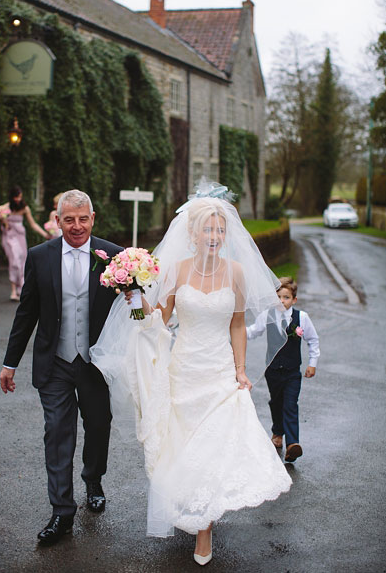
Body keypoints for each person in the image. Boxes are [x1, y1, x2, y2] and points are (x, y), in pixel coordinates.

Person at [90, 185, 291, 566]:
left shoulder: (236, 272)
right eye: (207, 230)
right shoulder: (177, 270)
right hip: (183, 370)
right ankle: (193, 507)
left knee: (214, 448)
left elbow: (236, 325)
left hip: (218, 370)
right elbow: (157, 322)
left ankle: (205, 529)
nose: (214, 237)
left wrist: (239, 369)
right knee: (184, 448)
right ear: (193, 233)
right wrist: (135, 296)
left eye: (220, 230)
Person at [0, 189, 123, 545]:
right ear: (57, 221)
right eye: (69, 219)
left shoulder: (112, 256)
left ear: (92, 218)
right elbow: (27, 313)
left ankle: (93, 479)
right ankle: (61, 511)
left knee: (99, 427)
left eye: (83, 219)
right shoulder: (40, 256)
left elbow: (128, 311)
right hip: (54, 363)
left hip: (95, 363)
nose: (76, 226)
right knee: (57, 434)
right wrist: (10, 362)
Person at [246, 276, 320, 463]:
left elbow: (312, 340)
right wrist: (235, 330)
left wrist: (313, 363)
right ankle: (277, 432)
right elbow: (253, 331)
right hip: (272, 370)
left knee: (290, 405)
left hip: (292, 372)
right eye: (278, 297)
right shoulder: (267, 315)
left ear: (294, 300)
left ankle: (292, 444)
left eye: (286, 297)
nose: (281, 301)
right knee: (276, 403)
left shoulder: (301, 318)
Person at [0, 185, 49, 300]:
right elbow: (1, 219)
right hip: (10, 237)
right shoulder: (5, 208)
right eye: (16, 197)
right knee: (14, 261)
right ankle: (13, 290)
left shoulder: (25, 208)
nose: (18, 199)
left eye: (20, 197)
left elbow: (33, 224)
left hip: (20, 238)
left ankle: (20, 289)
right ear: (12, 197)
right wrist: (3, 220)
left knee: (22, 262)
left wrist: (45, 234)